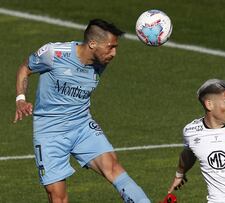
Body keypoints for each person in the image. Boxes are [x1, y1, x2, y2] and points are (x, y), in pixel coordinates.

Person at [14, 19, 150, 203]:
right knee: (58, 197)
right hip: (49, 132)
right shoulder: (54, 53)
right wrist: (21, 99)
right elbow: (25, 68)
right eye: (110, 47)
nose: (114, 53)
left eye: (116, 47)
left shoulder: (101, 61)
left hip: (82, 126)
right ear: (92, 44)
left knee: (113, 168)